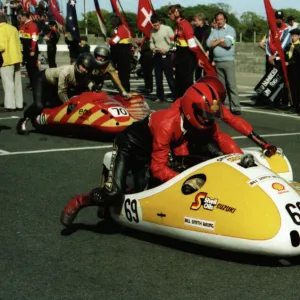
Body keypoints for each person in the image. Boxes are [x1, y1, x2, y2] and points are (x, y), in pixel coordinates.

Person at [60, 76, 277, 227]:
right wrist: (183, 182)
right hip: (129, 145)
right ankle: (80, 201)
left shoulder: (203, 110)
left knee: (172, 170)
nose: (208, 119)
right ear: (192, 110)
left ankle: (111, 207)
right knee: (114, 192)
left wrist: (241, 159)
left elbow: (221, 135)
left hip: (156, 147)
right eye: (205, 116)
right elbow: (158, 167)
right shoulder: (168, 123)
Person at [16, 53, 96, 134]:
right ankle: (23, 120)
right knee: (39, 105)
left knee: (55, 104)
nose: (84, 70)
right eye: (83, 66)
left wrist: (93, 87)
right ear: (78, 63)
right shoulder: (66, 72)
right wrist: (69, 104)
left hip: (55, 84)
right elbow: (61, 92)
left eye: (87, 69)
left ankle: (44, 121)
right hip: (43, 80)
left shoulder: (85, 74)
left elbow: (88, 82)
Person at [167, 4, 216, 98]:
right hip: (180, 57)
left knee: (186, 84)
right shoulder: (178, 25)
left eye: (170, 13)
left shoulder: (185, 25)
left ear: (176, 13)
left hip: (187, 59)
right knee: (179, 83)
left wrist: (198, 58)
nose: (169, 16)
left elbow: (192, 45)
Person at [206, 12, 241, 115]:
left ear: (225, 19)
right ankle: (223, 107)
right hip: (217, 61)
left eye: (221, 19)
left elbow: (228, 43)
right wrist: (219, 40)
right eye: (217, 20)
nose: (219, 21)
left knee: (231, 85)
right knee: (222, 86)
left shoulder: (230, 30)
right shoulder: (214, 30)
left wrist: (215, 42)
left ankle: (235, 107)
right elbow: (208, 44)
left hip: (228, 60)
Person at [149, 14, 176, 102]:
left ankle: (175, 95)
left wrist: (167, 49)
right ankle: (160, 96)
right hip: (157, 55)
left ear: (159, 22)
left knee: (169, 76)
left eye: (157, 24)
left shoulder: (167, 28)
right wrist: (153, 48)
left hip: (166, 55)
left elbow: (173, 42)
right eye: (154, 25)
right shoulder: (152, 31)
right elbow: (151, 42)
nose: (156, 27)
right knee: (158, 77)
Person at [0, 14, 23, 112]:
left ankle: (10, 105)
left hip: (6, 59)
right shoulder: (13, 28)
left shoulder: (1, 29)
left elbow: (1, 45)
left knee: (8, 82)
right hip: (16, 57)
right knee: (17, 82)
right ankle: (19, 103)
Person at [108, 14, 133, 93]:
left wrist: (109, 41)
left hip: (123, 54)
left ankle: (125, 91)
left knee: (124, 75)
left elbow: (114, 41)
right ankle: (122, 90)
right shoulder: (119, 28)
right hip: (119, 54)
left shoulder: (122, 29)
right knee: (121, 74)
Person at [18, 10, 39, 91]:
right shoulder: (23, 25)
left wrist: (33, 50)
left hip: (31, 49)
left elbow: (34, 39)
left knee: (33, 68)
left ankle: (36, 85)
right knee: (28, 68)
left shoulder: (32, 25)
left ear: (24, 17)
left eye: (20, 18)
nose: (19, 19)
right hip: (26, 50)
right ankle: (32, 83)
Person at [285, 28, 300, 114]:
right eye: (292, 36)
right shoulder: (288, 46)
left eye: (295, 36)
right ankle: (293, 105)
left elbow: (297, 59)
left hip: (297, 70)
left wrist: (289, 63)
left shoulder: (298, 46)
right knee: (292, 89)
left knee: (297, 89)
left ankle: (297, 106)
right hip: (290, 71)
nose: (293, 38)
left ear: (299, 36)